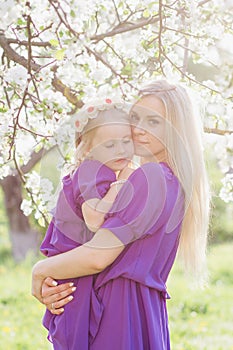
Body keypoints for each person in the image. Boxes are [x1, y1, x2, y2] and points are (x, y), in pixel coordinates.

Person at [32, 79, 210, 350]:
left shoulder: (150, 178)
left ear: (176, 130)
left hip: (118, 311)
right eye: (136, 117)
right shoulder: (172, 182)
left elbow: (97, 256)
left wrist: (40, 270)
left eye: (154, 122)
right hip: (145, 311)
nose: (138, 129)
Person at [38, 98, 135, 348]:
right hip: (74, 268)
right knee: (77, 336)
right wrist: (121, 186)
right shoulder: (95, 170)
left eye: (127, 141)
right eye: (110, 145)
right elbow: (94, 219)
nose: (121, 150)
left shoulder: (85, 171)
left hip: (69, 265)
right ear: (86, 149)